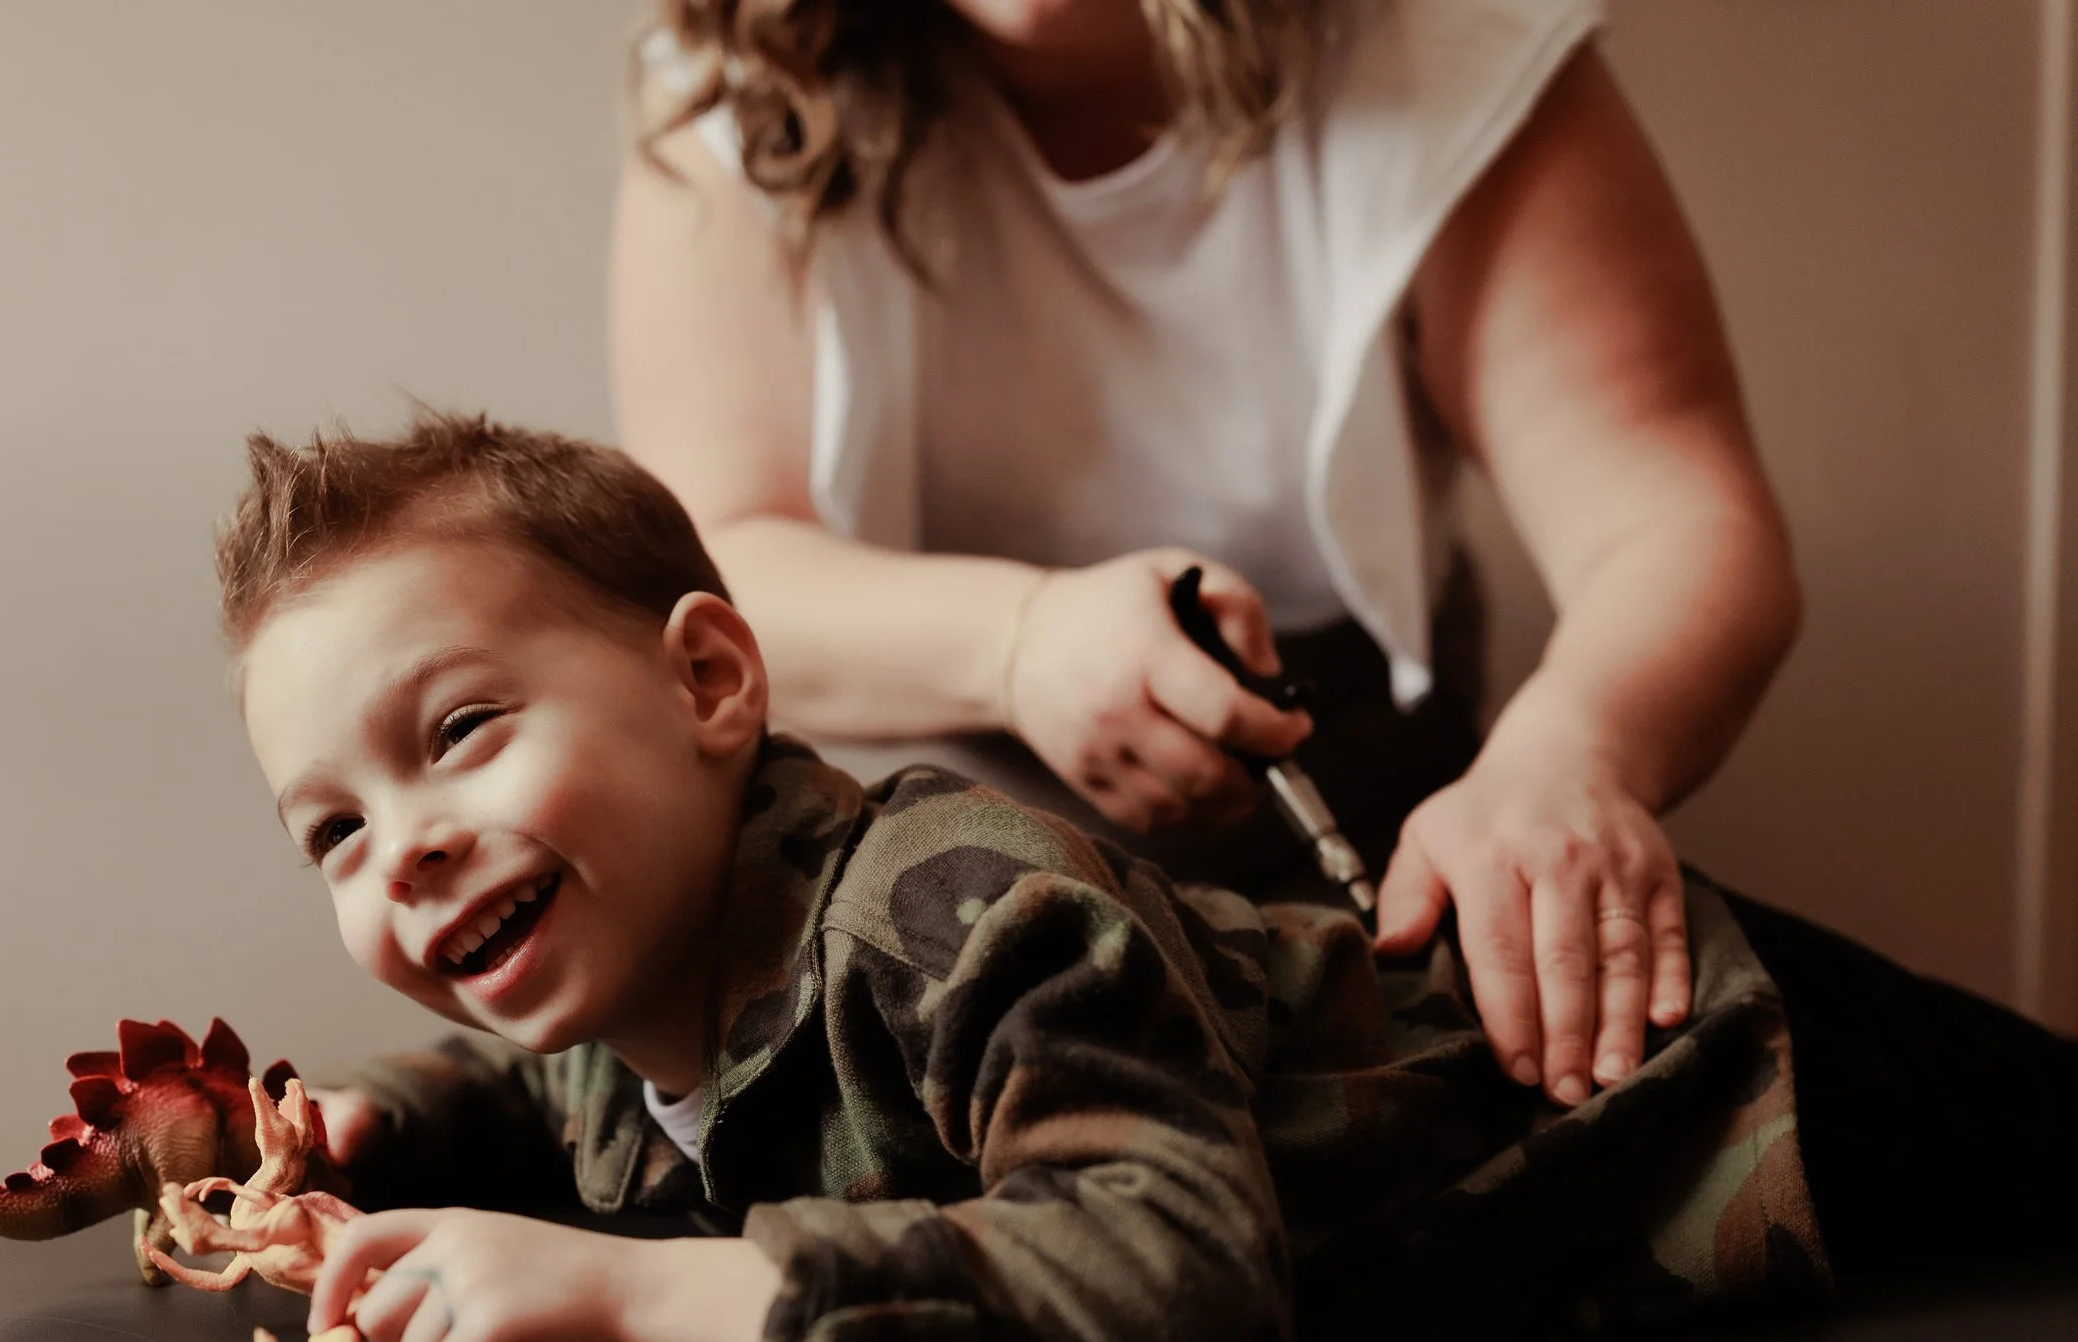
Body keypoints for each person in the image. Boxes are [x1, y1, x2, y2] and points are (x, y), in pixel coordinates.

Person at [212, 410, 2077, 1342]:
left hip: (1723, 1074)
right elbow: (538, 1113)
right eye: (336, 833)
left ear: (709, 681)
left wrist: (647, 1292)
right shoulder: (633, 1026)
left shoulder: (962, 905)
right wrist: (348, 1122)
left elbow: (1168, 1279)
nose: (410, 851)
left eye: (456, 734)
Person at [609, 0, 1796, 1121]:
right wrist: (1017, 644)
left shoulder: (1446, 47)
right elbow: (717, 575)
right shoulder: (736, 87)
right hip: (943, 872)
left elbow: (1674, 520)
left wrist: (1567, 757)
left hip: (1383, 823)